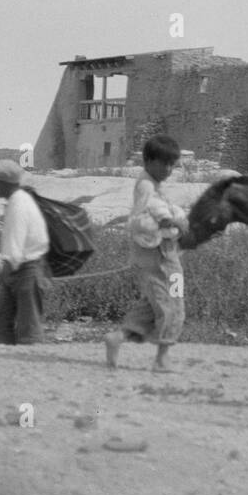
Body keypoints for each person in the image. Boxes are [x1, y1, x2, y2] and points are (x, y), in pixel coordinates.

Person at [104, 135, 189, 371]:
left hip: (158, 256)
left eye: (173, 164)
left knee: (152, 304)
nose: (169, 169)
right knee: (172, 303)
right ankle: (162, 358)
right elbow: (153, 210)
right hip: (161, 257)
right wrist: (170, 220)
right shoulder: (146, 186)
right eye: (165, 164)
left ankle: (119, 337)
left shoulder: (150, 184)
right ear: (149, 161)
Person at [0, 159, 49, 345]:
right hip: (22, 271)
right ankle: (8, 362)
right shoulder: (19, 200)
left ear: (4, 183)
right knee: (0, 322)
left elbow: (13, 254)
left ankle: (31, 366)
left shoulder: (18, 206)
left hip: (27, 272)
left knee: (29, 330)